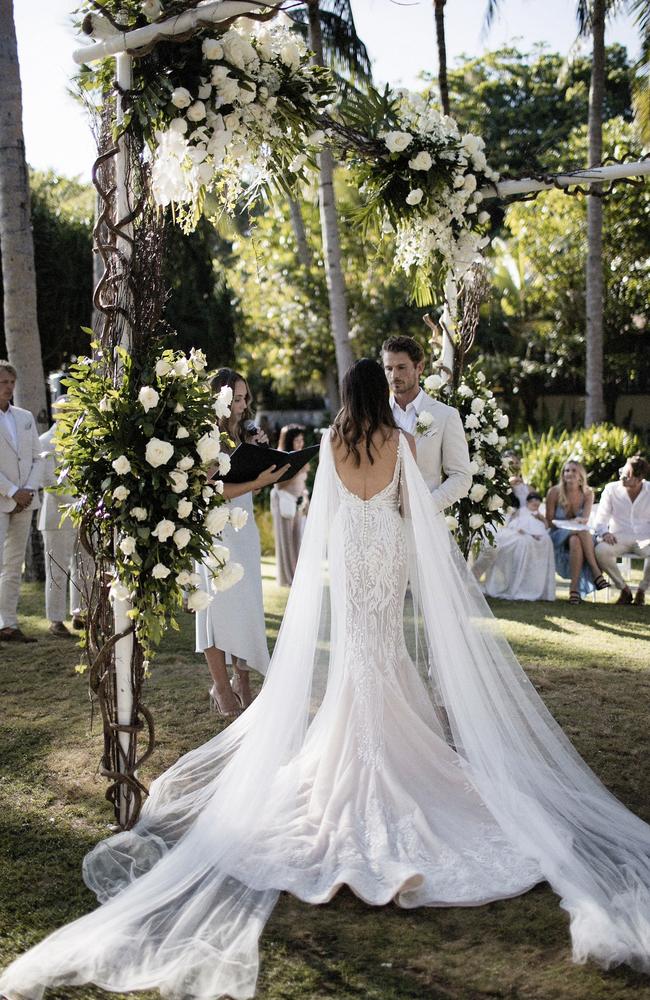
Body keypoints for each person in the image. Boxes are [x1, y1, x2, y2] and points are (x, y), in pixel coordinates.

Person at [7, 359, 650, 1000]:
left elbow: (325, 515)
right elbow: (407, 505)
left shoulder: (331, 438)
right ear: (382, 393)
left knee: (354, 654)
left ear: (347, 394)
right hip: (389, 546)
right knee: (383, 646)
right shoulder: (397, 441)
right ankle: (399, 755)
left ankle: (353, 750)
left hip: (348, 551)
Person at [195, 368, 289, 716]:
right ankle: (221, 689)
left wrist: (261, 457)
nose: (242, 404)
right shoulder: (206, 436)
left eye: (245, 398)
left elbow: (251, 479)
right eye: (236, 398)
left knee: (246, 606)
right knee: (217, 610)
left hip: (243, 526)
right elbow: (207, 490)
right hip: (215, 530)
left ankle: (242, 681)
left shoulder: (245, 432)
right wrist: (255, 482)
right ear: (219, 398)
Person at [382, 336, 471, 513]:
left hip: (427, 524)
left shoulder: (445, 415)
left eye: (401, 367)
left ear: (419, 367)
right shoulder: (376, 415)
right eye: (388, 368)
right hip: (385, 526)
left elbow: (461, 476)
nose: (394, 375)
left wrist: (426, 506)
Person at [0, 361, 42, 643]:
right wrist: (12, 490)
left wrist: (27, 489)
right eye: (3, 382)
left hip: (26, 499)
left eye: (11, 382)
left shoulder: (25, 416)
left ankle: (8, 623)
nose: (9, 387)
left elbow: (38, 457)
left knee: (14, 564)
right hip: (3, 497)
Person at [38, 410, 91, 637]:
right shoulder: (45, 442)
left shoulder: (83, 440)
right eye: (67, 412)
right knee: (57, 569)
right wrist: (76, 503)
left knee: (85, 565)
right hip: (57, 515)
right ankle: (56, 619)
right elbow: (49, 481)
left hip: (85, 514)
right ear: (56, 415)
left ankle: (81, 613)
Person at [545, 460, 608, 604]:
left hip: (578, 536)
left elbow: (584, 519)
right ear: (563, 474)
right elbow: (549, 521)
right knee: (580, 532)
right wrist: (570, 524)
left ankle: (574, 591)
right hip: (558, 534)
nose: (570, 473)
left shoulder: (587, 493)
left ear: (581, 475)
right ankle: (596, 571)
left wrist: (575, 524)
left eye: (574, 470)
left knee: (576, 539)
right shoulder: (554, 492)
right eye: (567, 470)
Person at [593, 455, 650, 606]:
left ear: (639, 479)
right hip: (619, 537)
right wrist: (604, 532)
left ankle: (642, 591)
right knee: (600, 551)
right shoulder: (611, 489)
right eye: (622, 472)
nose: (622, 477)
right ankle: (624, 589)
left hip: (645, 538)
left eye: (627, 475)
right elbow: (601, 518)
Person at [483, 492, 555, 601]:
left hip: (536, 535)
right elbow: (514, 522)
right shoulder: (521, 512)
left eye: (537, 500)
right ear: (528, 502)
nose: (535, 502)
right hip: (521, 532)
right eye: (533, 500)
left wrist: (541, 518)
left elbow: (545, 527)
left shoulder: (539, 515)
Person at [270, 423, 310, 587]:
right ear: (288, 441)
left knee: (297, 540)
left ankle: (298, 575)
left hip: (298, 503)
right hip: (284, 502)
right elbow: (278, 484)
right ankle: (287, 577)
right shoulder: (282, 457)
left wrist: (305, 498)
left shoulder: (301, 456)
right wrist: (298, 471)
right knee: (286, 541)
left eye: (302, 440)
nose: (300, 443)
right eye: (297, 440)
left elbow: (302, 483)